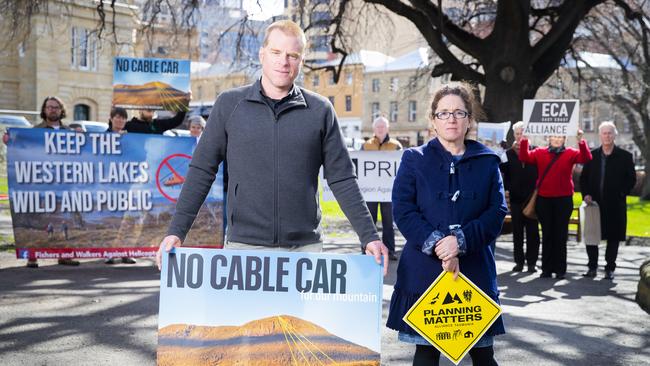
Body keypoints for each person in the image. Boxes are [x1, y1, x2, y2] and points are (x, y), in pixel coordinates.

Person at [156, 20, 388, 271]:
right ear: (262, 54)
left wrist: (369, 236)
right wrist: (176, 231)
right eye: (276, 52)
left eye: (292, 55)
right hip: (244, 246)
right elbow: (201, 170)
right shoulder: (229, 105)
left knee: (298, 314)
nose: (283, 61)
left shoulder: (320, 111)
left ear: (301, 60)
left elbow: (342, 178)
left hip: (305, 249)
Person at [388, 83, 507, 366]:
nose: (451, 118)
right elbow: (403, 210)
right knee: (426, 356)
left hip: (474, 272)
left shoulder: (488, 161)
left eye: (458, 112)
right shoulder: (414, 160)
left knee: (483, 356)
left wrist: (461, 241)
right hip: (424, 271)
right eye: (443, 113)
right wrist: (439, 245)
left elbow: (496, 211)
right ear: (433, 121)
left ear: (469, 120)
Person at [519, 132, 592, 279]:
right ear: (549, 138)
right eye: (554, 136)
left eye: (560, 137)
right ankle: (547, 269)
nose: (557, 139)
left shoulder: (570, 153)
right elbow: (524, 157)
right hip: (544, 200)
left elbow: (586, 158)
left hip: (563, 200)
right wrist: (524, 140)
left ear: (565, 139)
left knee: (560, 235)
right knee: (547, 234)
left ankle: (560, 269)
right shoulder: (540, 152)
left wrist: (580, 141)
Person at [579, 122, 636, 280]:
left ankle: (610, 268)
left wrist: (621, 193)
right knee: (592, 236)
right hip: (594, 204)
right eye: (604, 133)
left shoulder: (625, 156)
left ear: (614, 135)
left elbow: (631, 179)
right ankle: (592, 267)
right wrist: (586, 194)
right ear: (600, 135)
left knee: (613, 237)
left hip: (615, 204)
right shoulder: (592, 155)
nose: (607, 136)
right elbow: (583, 179)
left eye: (610, 133)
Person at [27, 97, 79, 267]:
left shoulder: (69, 131)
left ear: (61, 110)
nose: (53, 110)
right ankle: (33, 256)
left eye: (56, 107)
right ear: (44, 110)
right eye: (49, 107)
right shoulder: (35, 131)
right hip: (42, 182)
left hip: (64, 183)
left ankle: (64, 255)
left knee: (64, 218)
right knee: (40, 217)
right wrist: (10, 140)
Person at [500, 121, 539, 272]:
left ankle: (532, 263)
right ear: (514, 135)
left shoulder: (535, 151)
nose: (520, 136)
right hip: (515, 199)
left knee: (533, 234)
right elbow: (501, 170)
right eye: (517, 133)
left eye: (522, 133)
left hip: (532, 200)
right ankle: (519, 262)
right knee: (517, 233)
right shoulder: (508, 154)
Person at [361, 116, 402, 260]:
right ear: (373, 129)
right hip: (370, 191)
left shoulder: (396, 145)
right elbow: (360, 168)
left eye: (382, 126)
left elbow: (401, 168)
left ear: (387, 128)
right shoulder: (366, 145)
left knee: (388, 222)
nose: (380, 129)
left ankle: (390, 250)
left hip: (388, 191)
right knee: (369, 222)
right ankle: (367, 249)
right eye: (377, 126)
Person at [105, 107, 137, 265]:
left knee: (127, 220)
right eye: (117, 117)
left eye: (123, 118)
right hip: (110, 186)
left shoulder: (131, 138)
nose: (120, 120)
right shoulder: (102, 136)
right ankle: (110, 252)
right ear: (111, 118)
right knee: (114, 220)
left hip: (127, 185)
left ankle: (126, 251)